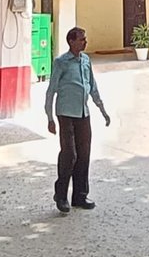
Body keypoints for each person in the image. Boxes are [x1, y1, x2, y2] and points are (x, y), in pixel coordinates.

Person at [44, 27, 111, 214]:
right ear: (71, 41)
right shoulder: (61, 63)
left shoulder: (86, 60)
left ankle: (80, 196)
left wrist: (102, 110)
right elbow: (51, 90)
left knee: (84, 154)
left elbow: (92, 87)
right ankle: (61, 195)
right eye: (81, 39)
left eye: (85, 39)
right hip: (66, 113)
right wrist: (50, 118)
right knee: (69, 154)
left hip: (83, 113)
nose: (85, 42)